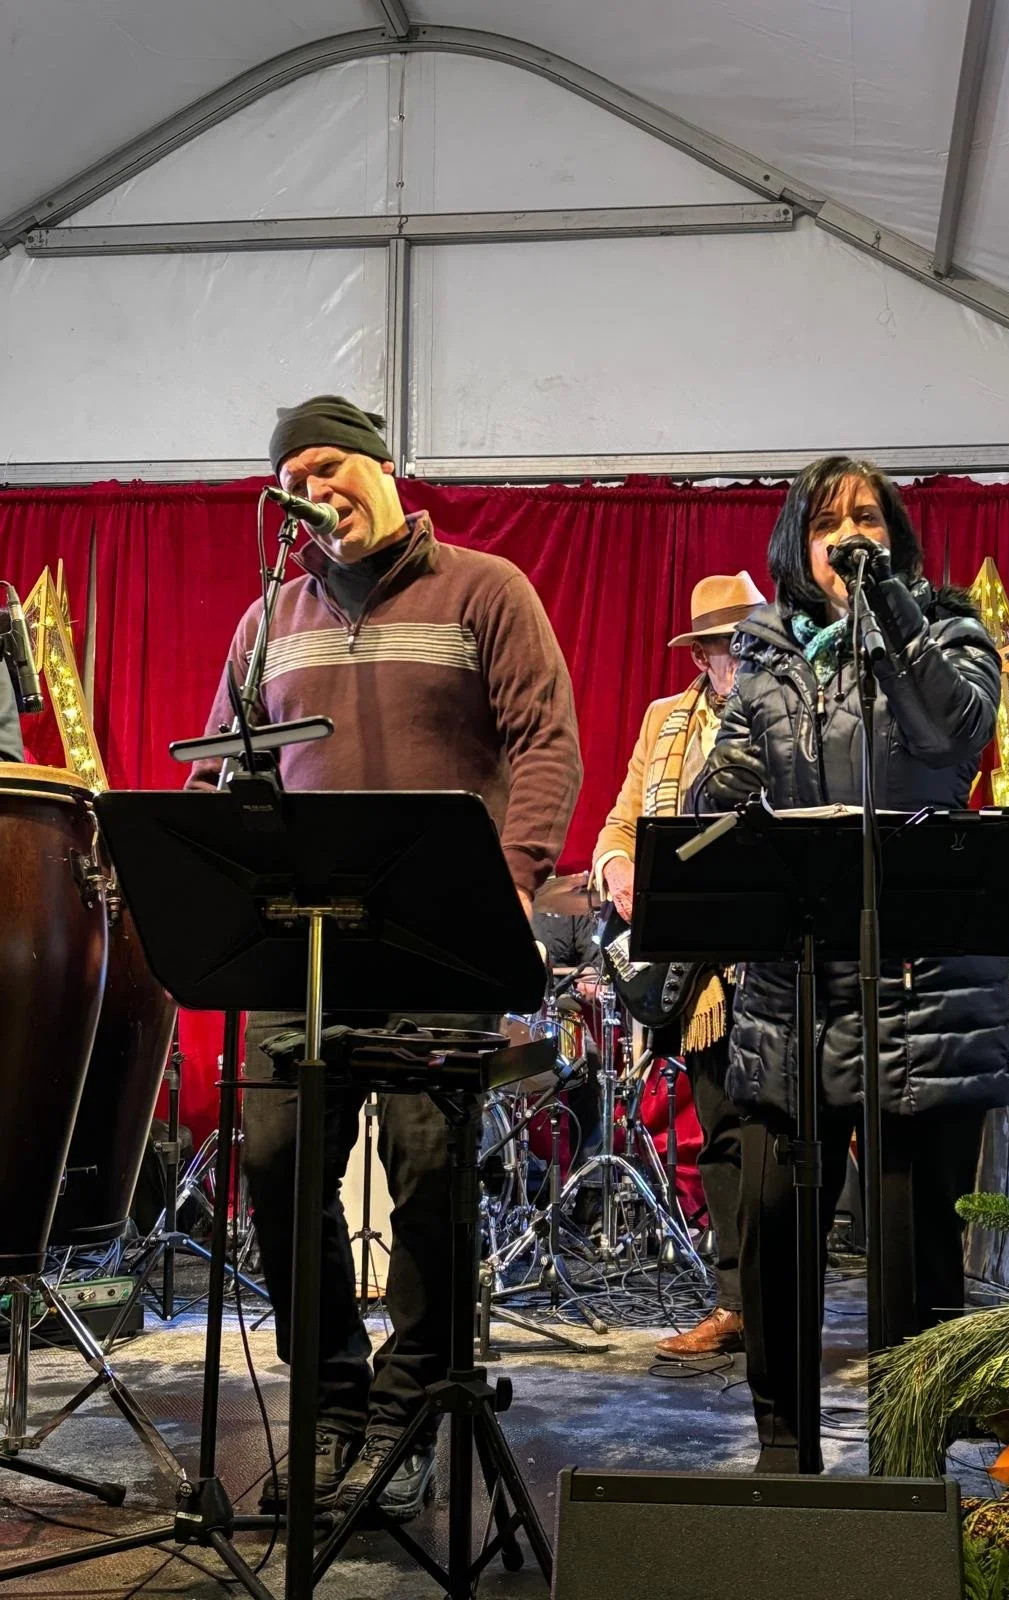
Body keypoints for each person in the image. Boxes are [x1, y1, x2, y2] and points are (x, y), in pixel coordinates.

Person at [189, 395, 582, 1514]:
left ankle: (411, 1407)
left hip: (436, 944)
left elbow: (545, 736)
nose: (319, 489)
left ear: (385, 468)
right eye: (297, 476)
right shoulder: (266, 620)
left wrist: (511, 877)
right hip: (298, 950)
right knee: (272, 1161)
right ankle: (328, 1407)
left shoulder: (486, 590)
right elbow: (222, 770)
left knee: (428, 1169)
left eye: (334, 466)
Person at [694, 456, 1009, 1470]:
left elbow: (953, 734)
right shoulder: (769, 660)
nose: (849, 534)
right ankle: (786, 1462)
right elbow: (715, 809)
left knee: (916, 1261)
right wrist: (724, 791)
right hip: (792, 1002)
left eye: (867, 517)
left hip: (924, 1003)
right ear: (797, 544)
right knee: (782, 1248)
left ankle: (911, 1473)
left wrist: (893, 617)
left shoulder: (953, 632)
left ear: (897, 535)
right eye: (829, 521)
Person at [593, 571, 765, 1358]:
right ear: (700, 656)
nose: (739, 656)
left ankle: (777, 1302)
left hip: (768, 956)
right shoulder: (664, 722)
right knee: (724, 1132)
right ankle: (737, 1305)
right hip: (697, 973)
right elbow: (620, 822)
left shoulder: (786, 714)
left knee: (778, 1136)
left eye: (750, 642)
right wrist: (615, 868)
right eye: (726, 646)